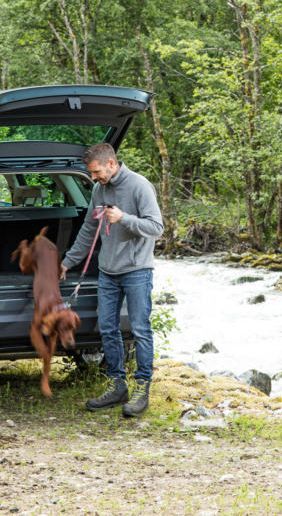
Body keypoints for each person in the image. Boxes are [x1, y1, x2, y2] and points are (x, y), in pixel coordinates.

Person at [61, 142, 163, 417]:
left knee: (140, 329)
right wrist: (68, 261)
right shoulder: (99, 189)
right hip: (108, 271)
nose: (93, 178)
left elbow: (156, 227)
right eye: (91, 173)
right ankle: (117, 386)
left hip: (137, 270)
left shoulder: (140, 186)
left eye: (96, 172)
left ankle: (142, 389)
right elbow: (88, 229)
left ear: (111, 163)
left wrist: (124, 218)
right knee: (107, 328)